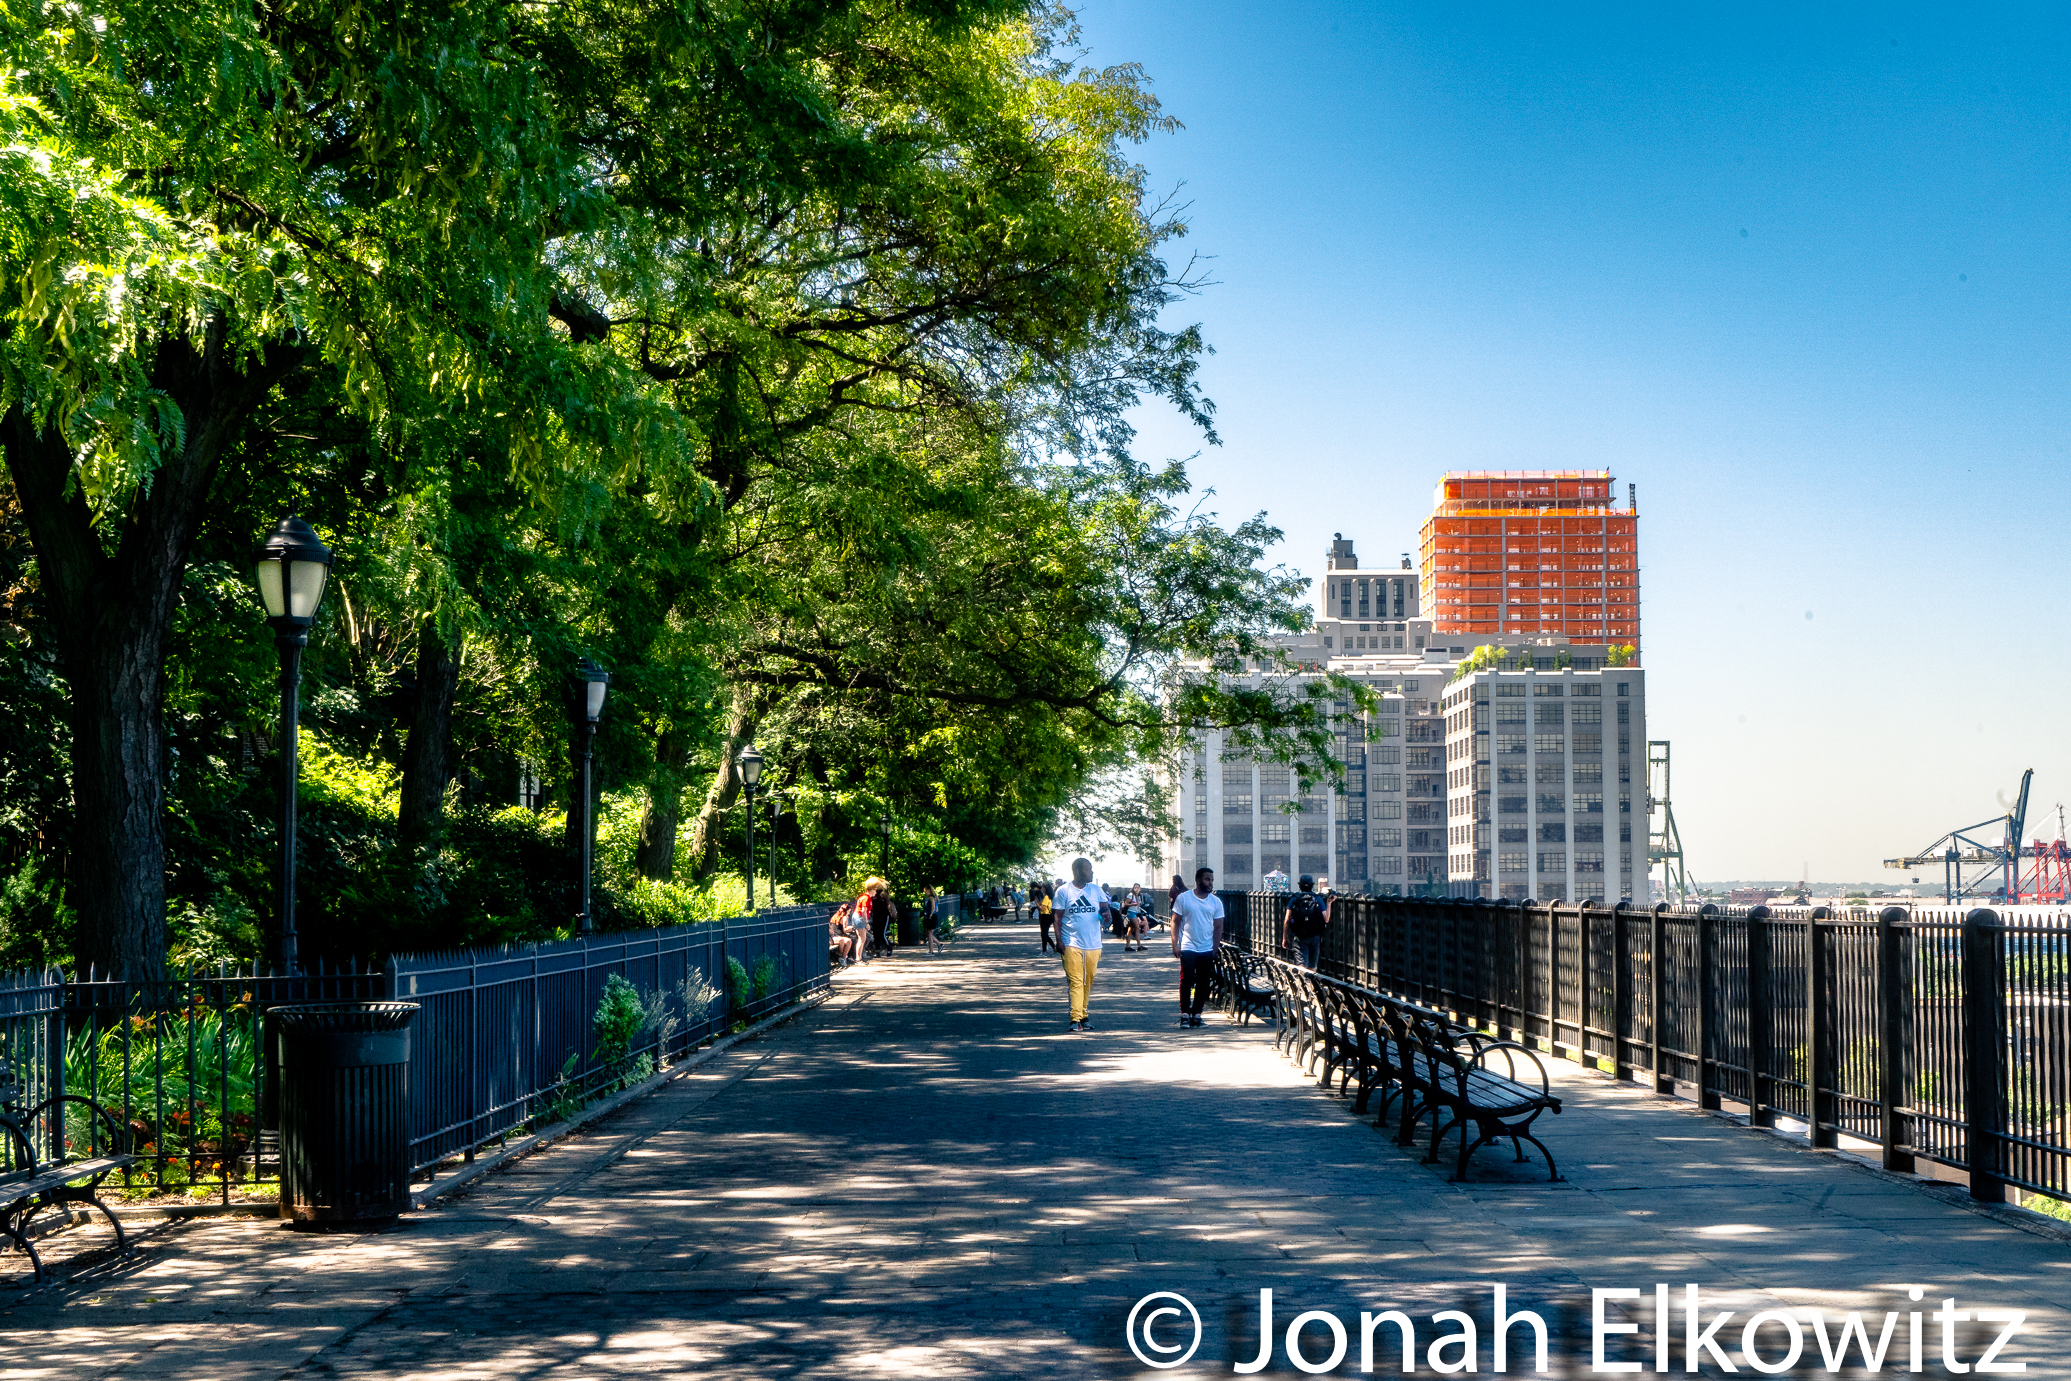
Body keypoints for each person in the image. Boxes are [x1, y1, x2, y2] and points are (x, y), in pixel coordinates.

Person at [1052, 858, 1111, 1031]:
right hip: (1071, 942)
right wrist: (1059, 940)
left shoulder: (1096, 890)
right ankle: (1075, 1019)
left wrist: (1106, 914)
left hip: (1093, 943)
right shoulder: (1063, 891)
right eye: (1088, 869)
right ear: (1077, 871)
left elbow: (1105, 909)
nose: (1091, 872)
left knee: (1088, 980)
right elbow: (1057, 918)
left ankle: (1083, 1015)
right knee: (1076, 980)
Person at [1171, 865, 1225, 1027]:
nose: (1210, 883)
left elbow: (1218, 927)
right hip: (1188, 945)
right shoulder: (1184, 898)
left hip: (1206, 948)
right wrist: (1175, 944)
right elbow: (1175, 922)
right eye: (1207, 879)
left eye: (1212, 880)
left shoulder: (1216, 902)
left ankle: (1197, 1014)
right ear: (1198, 880)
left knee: (1203, 982)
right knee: (1186, 981)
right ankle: (1185, 1014)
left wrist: (1214, 948)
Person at [1281, 873, 1331, 970]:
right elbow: (1326, 919)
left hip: (1299, 937)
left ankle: (1303, 979)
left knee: (1302, 967)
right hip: (1315, 936)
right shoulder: (1317, 898)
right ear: (1312, 885)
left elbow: (1287, 919)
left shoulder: (1294, 898)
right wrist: (1329, 903)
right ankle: (1311, 979)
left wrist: (1285, 938)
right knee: (1312, 967)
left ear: (1299, 886)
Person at [1035, 882, 1057, 954]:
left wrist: (1037, 902)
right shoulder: (1050, 896)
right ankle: (1053, 947)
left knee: (1044, 934)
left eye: (1042, 887)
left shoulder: (1046, 897)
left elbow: (1042, 908)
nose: (1041, 889)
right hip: (1049, 916)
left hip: (1045, 916)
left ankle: (1045, 950)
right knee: (1044, 934)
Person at [922, 887, 944, 955]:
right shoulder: (934, 898)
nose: (924, 892)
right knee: (929, 934)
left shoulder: (931, 898)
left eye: (925, 891)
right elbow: (936, 909)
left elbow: (933, 907)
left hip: (932, 917)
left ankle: (931, 951)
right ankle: (939, 944)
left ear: (929, 890)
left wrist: (930, 916)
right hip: (934, 916)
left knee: (929, 934)